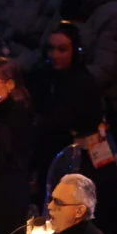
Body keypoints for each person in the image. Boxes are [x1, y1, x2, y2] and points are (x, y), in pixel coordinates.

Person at [29, 21, 105, 179]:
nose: (54, 55)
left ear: (75, 52)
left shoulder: (83, 83)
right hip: (55, 150)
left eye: (62, 49)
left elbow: (59, 121)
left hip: (81, 160)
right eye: (51, 49)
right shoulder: (46, 75)